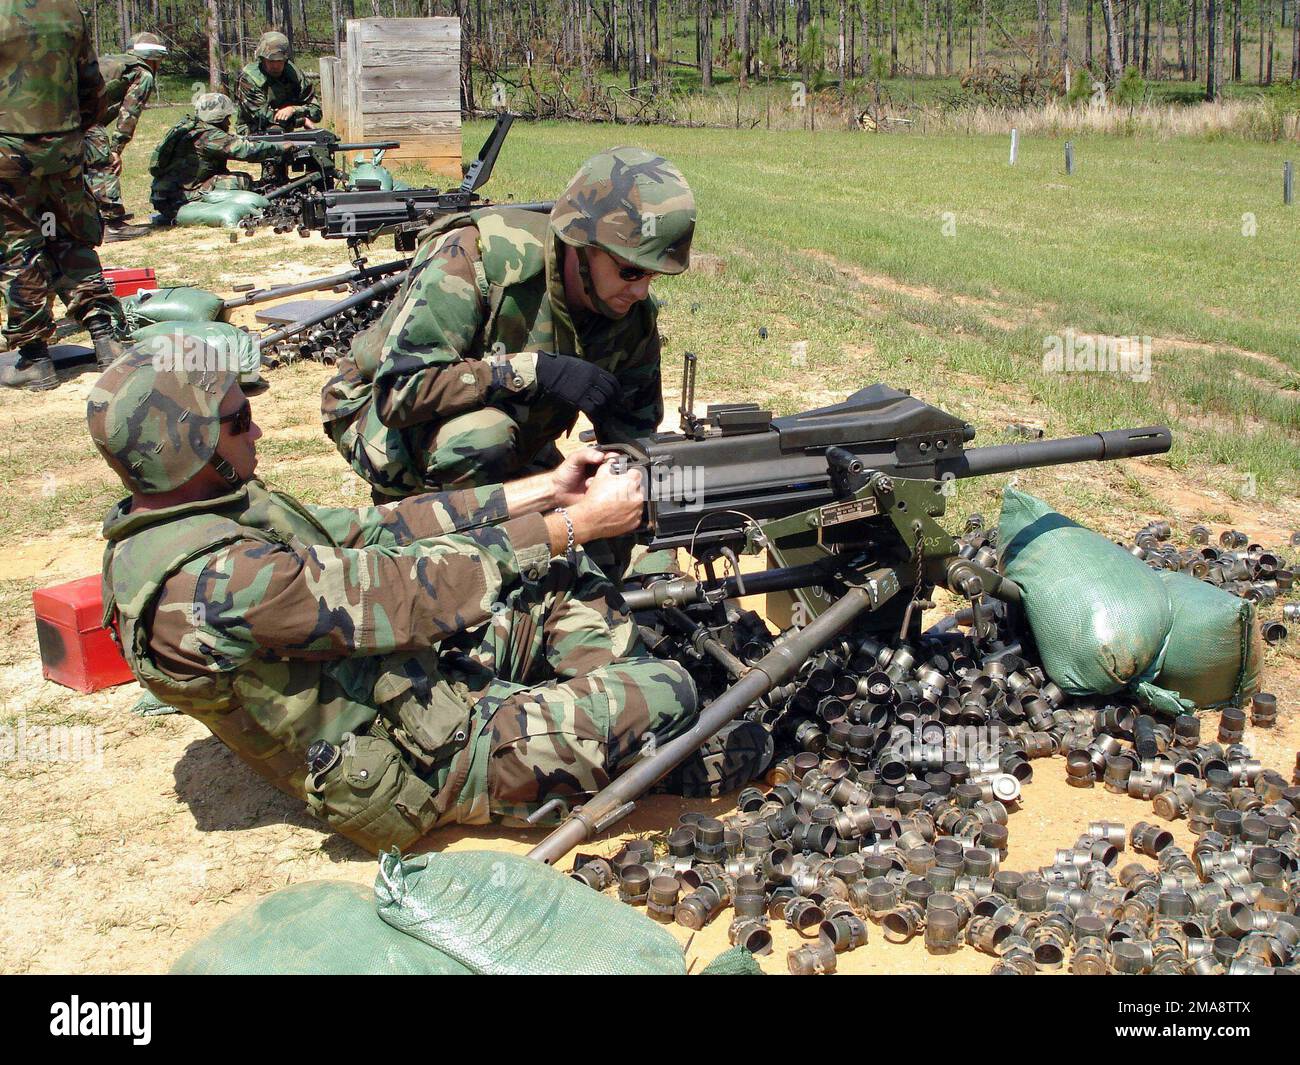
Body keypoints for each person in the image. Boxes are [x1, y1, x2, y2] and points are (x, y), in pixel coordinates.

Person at [87, 336, 715, 853]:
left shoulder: (195, 514)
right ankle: (629, 742)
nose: (257, 432)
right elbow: (408, 595)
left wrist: (545, 491)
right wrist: (574, 525)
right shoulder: (215, 580)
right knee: (672, 689)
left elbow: (370, 530)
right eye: (237, 421)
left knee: (555, 580)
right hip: (415, 766)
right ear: (188, 447)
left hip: (399, 688)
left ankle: (597, 730)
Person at [320, 146, 695, 502]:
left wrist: (653, 561)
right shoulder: (475, 258)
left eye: (653, 276)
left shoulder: (631, 311)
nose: (641, 291)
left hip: (513, 432)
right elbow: (399, 394)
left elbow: (633, 446)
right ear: (581, 245)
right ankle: (426, 533)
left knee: (588, 498)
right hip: (377, 416)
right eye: (629, 272)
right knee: (482, 440)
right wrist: (531, 371)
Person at [0, 0, 125, 390]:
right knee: (71, 234)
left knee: (19, 247)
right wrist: (74, 132)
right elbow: (91, 83)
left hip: (8, 147)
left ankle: (35, 356)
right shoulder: (68, 9)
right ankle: (106, 336)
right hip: (64, 142)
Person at [149, 92, 293, 225]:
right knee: (242, 180)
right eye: (227, 118)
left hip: (164, 194)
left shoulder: (191, 128)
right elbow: (246, 150)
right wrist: (280, 148)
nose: (229, 123)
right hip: (181, 197)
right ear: (218, 118)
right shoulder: (209, 136)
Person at [85, 32, 168, 242]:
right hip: (83, 119)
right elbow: (129, 113)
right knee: (103, 164)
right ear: (154, 58)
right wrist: (116, 149)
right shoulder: (142, 73)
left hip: (58, 118)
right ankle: (111, 224)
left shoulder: (116, 63)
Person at [234, 30, 321, 135]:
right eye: (271, 61)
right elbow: (264, 117)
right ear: (262, 59)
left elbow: (316, 112)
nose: (275, 66)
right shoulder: (249, 79)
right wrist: (301, 120)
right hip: (252, 133)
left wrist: (294, 109)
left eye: (279, 61)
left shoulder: (294, 75)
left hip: (284, 133)